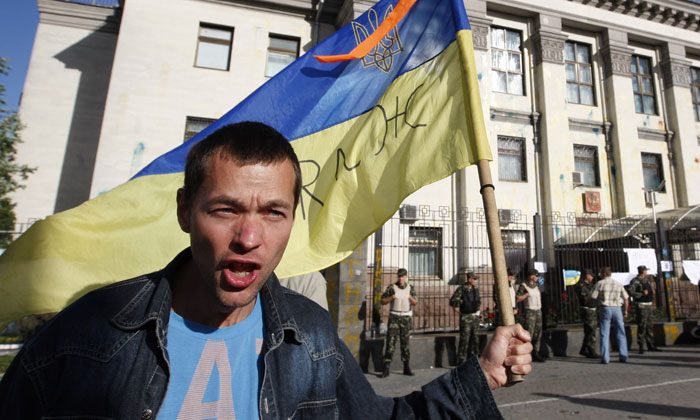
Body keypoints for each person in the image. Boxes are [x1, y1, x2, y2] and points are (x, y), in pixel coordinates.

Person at [0, 122, 533, 419]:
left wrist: (483, 374)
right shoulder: (90, 333)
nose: (249, 239)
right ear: (185, 211)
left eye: (273, 213)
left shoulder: (312, 338)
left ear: (292, 218)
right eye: (225, 210)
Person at [380, 268, 417, 377]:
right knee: (390, 342)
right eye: (399, 276)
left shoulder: (410, 288)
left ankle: (406, 367)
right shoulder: (392, 287)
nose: (401, 279)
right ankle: (386, 367)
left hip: (405, 317)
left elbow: (415, 302)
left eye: (403, 277)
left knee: (405, 343)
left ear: (406, 277)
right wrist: (392, 297)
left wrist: (409, 296)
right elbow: (383, 301)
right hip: (394, 317)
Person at [588, 266, 629, 364]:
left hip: (605, 308)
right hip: (617, 308)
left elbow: (593, 296)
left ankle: (605, 357)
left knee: (604, 333)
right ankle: (623, 355)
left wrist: (587, 302)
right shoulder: (618, 283)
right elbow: (626, 298)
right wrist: (625, 310)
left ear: (604, 274)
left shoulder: (600, 283)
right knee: (620, 332)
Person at [450, 270, 481, 364]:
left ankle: (475, 359)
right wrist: (462, 303)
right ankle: (461, 359)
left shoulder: (476, 289)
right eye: (474, 279)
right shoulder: (461, 289)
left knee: (475, 339)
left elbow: (478, 301)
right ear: (469, 279)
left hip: (475, 316)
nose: (475, 281)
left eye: (476, 279)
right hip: (466, 317)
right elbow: (453, 301)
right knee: (464, 339)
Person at [628, 265, 659, 353]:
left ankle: (651, 344)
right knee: (642, 325)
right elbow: (630, 291)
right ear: (642, 271)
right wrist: (641, 293)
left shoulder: (646, 280)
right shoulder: (635, 281)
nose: (646, 272)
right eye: (645, 270)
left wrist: (651, 291)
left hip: (648, 304)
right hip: (641, 305)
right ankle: (641, 345)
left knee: (649, 325)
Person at [517, 269, 544, 362]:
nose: (537, 277)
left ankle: (536, 352)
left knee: (538, 332)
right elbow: (517, 298)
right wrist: (525, 295)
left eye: (537, 276)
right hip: (530, 311)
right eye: (535, 275)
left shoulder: (537, 285)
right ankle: (527, 352)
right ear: (530, 276)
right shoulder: (524, 286)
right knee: (529, 332)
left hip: (538, 311)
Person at [574, 269, 599, 358]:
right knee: (591, 330)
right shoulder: (581, 286)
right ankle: (591, 349)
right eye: (591, 275)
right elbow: (586, 298)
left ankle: (585, 348)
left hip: (592, 308)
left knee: (590, 330)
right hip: (587, 309)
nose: (592, 277)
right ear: (587, 275)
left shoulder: (590, 285)